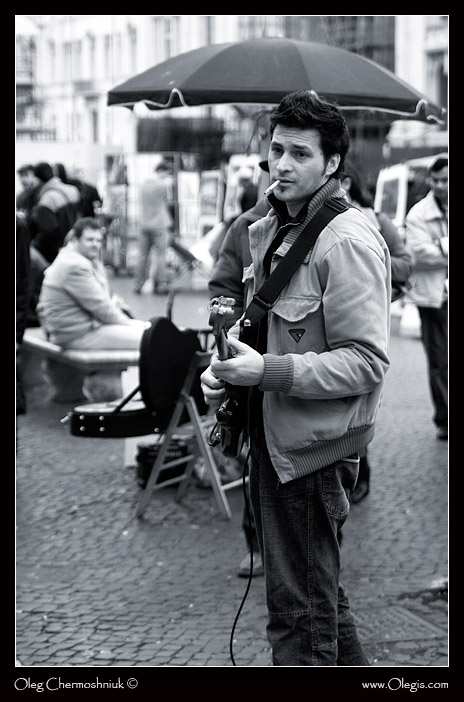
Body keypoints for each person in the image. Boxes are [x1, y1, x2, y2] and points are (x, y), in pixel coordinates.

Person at [201, 90, 391, 666]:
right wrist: (233, 370)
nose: (281, 164)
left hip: (312, 454)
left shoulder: (346, 240)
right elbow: (272, 328)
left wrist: (269, 371)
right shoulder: (272, 225)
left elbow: (367, 361)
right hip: (279, 441)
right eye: (276, 149)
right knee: (320, 602)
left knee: (298, 620)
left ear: (332, 163)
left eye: (299, 154)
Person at [340, 160, 413, 503]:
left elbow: (404, 263)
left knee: (360, 401)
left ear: (350, 185)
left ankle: (359, 472)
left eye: (342, 183)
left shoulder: (378, 220)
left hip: (370, 319)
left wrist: (373, 256)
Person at [209, 196, 270, 578]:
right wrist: (230, 338)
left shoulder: (344, 222)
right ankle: (255, 544)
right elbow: (222, 290)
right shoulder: (246, 224)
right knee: (254, 457)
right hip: (252, 364)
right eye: (277, 153)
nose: (283, 166)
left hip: (303, 375)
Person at [37, 217, 149, 350]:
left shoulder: (79, 259)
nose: (95, 244)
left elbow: (103, 301)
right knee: (153, 340)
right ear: (75, 240)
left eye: (99, 240)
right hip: (78, 336)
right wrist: (131, 324)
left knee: (152, 334)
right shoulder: (74, 265)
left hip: (77, 330)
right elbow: (102, 309)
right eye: (90, 240)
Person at [404, 155, 448, 440]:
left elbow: (434, 253)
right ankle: (445, 418)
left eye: (446, 180)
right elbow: (419, 255)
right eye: (436, 180)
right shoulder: (418, 214)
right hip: (434, 298)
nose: (440, 185)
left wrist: (440, 246)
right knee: (440, 360)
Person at [28, 162, 81, 263]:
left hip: (55, 253)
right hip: (73, 245)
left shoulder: (47, 199)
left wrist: (34, 245)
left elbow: (48, 230)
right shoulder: (73, 190)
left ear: (37, 179)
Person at [133, 162, 173, 294]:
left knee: (142, 255)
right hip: (160, 224)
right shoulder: (163, 185)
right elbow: (168, 200)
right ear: (163, 171)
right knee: (160, 255)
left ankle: (138, 283)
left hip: (144, 223)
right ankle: (161, 284)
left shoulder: (143, 185)